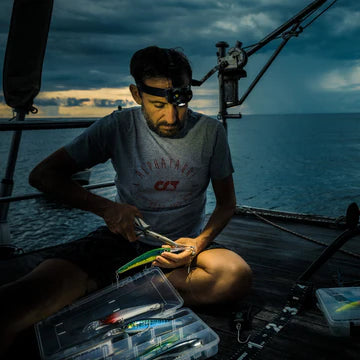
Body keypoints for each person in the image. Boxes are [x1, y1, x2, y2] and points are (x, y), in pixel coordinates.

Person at [0, 46, 252, 352]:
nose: (172, 117)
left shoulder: (210, 132)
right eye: (158, 104)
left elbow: (227, 204)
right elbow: (43, 175)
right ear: (136, 94)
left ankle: (104, 292)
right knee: (15, 305)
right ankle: (124, 292)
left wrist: (197, 243)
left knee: (234, 276)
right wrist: (106, 208)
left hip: (177, 248)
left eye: (180, 103)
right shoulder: (118, 126)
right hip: (118, 241)